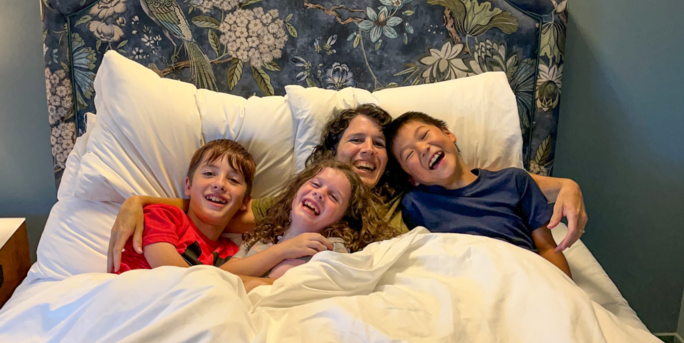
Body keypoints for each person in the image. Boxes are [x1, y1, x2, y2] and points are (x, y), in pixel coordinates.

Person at [107, 105, 588, 271]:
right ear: (332, 154)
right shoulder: (302, 199)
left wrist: (564, 182)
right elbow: (217, 211)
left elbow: (481, 180)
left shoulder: (412, 196)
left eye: (379, 144)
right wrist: (143, 201)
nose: (368, 150)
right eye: (356, 139)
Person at [386, 112, 571, 278]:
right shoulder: (415, 204)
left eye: (424, 135)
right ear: (412, 179)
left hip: (525, 277)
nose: (422, 148)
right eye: (409, 154)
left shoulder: (513, 181)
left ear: (448, 133)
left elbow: (547, 248)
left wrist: (570, 298)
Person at [223, 159, 397, 283]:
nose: (319, 193)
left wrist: (247, 282)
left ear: (342, 218)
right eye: (315, 184)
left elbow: (286, 290)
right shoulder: (262, 238)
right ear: (296, 190)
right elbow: (219, 276)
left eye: (333, 196)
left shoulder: (329, 248)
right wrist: (282, 250)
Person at [112, 138, 257, 277]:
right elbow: (178, 277)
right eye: (209, 173)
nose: (219, 184)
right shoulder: (161, 216)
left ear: (245, 201)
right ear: (188, 186)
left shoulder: (231, 252)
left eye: (233, 180)